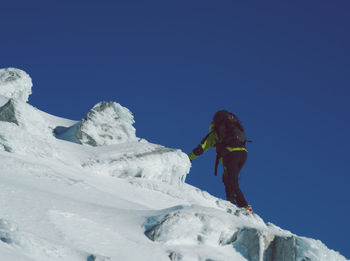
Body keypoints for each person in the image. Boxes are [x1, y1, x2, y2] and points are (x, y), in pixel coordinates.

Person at [188, 110, 252, 213]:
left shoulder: (215, 134)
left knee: (231, 181)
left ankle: (244, 205)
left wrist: (188, 158)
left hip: (231, 155)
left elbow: (200, 148)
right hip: (243, 154)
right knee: (227, 178)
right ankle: (231, 202)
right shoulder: (234, 128)